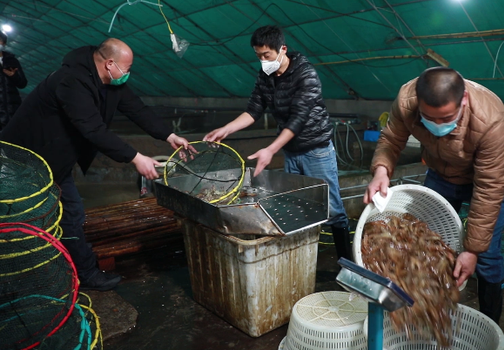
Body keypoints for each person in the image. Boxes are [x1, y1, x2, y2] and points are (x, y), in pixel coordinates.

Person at [0, 38, 191, 291]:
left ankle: (81, 272)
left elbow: (138, 110)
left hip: (54, 162)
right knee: (33, 216)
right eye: (127, 68)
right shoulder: (71, 80)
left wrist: (169, 136)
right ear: (110, 63)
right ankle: (44, 277)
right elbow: (93, 129)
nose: (128, 74)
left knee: (69, 213)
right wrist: (136, 157)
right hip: (25, 162)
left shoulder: (110, 82)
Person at [364, 67, 504, 324]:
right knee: (426, 241)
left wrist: (473, 250)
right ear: (418, 104)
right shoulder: (406, 101)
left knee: (486, 256)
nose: (437, 126)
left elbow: (489, 190)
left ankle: (491, 320)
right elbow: (391, 139)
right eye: (429, 119)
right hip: (440, 175)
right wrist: (381, 170)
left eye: (446, 118)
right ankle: (429, 306)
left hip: (485, 181)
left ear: (463, 99)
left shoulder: (490, 120)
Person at [203, 25, 352, 260]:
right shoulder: (265, 76)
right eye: (258, 56)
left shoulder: (306, 74)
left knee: (332, 209)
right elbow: (253, 110)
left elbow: (298, 119)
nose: (263, 61)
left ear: (282, 49)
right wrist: (226, 129)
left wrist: (271, 149)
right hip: (291, 151)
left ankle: (346, 262)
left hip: (316, 151)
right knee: (297, 205)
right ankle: (302, 258)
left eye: (266, 55)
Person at [0, 31, 27, 132]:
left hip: (13, 109)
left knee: (13, 140)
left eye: (0, 41)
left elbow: (23, 83)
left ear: (4, 44)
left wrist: (14, 76)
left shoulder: (12, 61)